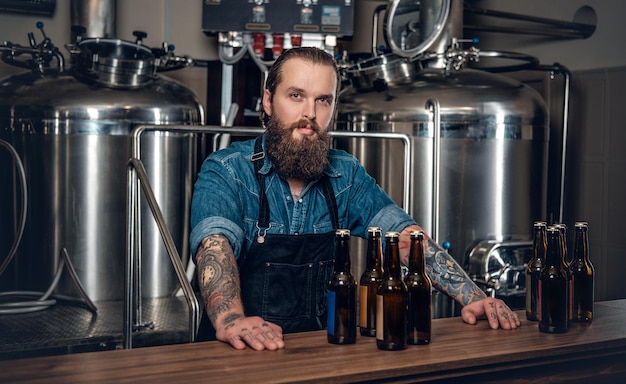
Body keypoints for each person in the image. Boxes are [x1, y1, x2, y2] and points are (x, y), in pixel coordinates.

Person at [190, 47, 521, 351]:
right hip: (236, 353)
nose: (310, 113)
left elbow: (405, 238)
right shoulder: (227, 171)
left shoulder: (344, 175)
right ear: (267, 101)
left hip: (317, 349)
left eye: (323, 100)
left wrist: (473, 297)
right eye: (296, 95)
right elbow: (214, 247)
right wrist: (231, 319)